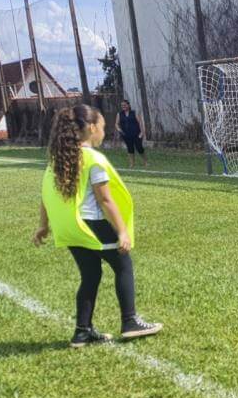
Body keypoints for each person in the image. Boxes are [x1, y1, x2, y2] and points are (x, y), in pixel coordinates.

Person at [33, 104, 162, 347]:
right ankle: (130, 321)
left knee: (90, 275)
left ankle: (82, 331)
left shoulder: (58, 160)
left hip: (70, 228)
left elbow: (45, 196)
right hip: (91, 224)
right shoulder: (94, 158)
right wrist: (122, 230)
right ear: (91, 128)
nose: (103, 132)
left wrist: (43, 226)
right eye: (102, 127)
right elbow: (104, 199)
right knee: (123, 266)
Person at [115, 100, 146, 168]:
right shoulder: (119, 114)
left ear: (128, 105)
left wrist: (142, 132)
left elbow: (140, 123)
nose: (123, 106)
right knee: (130, 149)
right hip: (126, 135)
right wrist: (119, 129)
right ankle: (132, 164)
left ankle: (145, 162)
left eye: (125, 105)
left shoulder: (134, 113)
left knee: (139, 148)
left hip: (136, 134)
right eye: (122, 105)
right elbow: (116, 124)